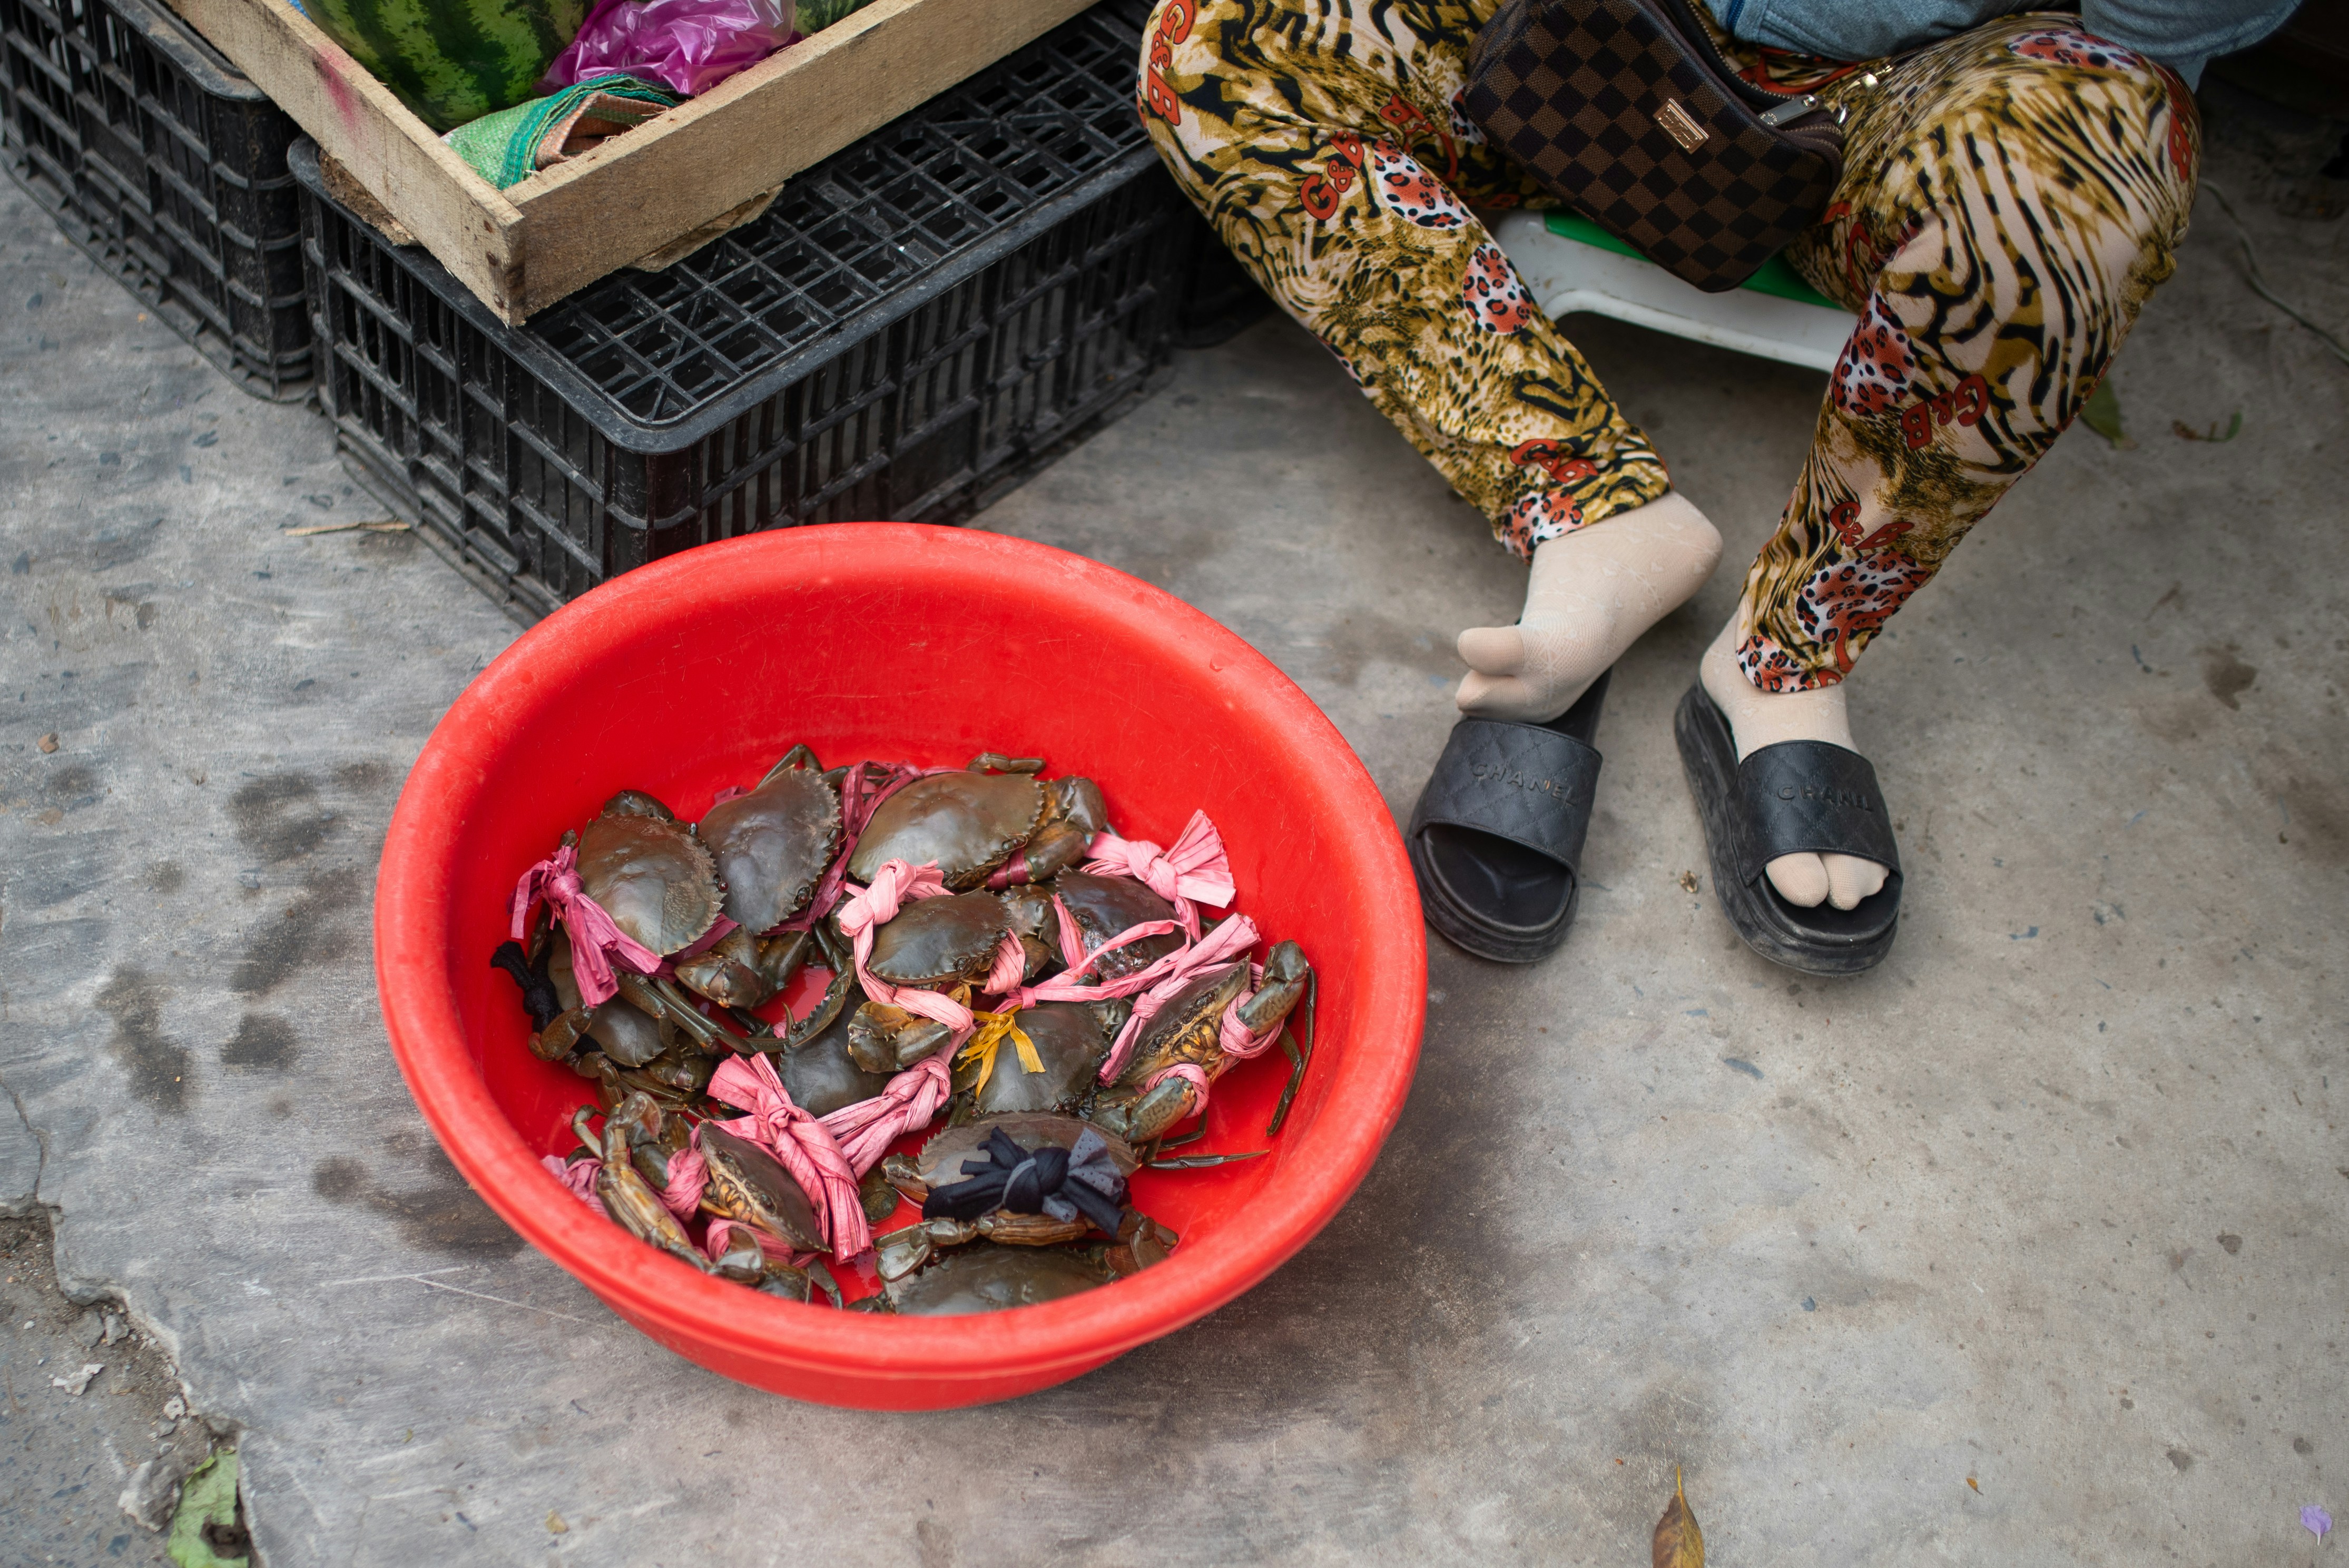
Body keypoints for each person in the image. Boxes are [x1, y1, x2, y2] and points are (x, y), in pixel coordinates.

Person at [1139, 0, 2297, 972]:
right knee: (1216, 49)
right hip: (1572, 32)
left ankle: (1787, 651)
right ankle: (1589, 506)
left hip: (1892, 95)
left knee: (2081, 169)